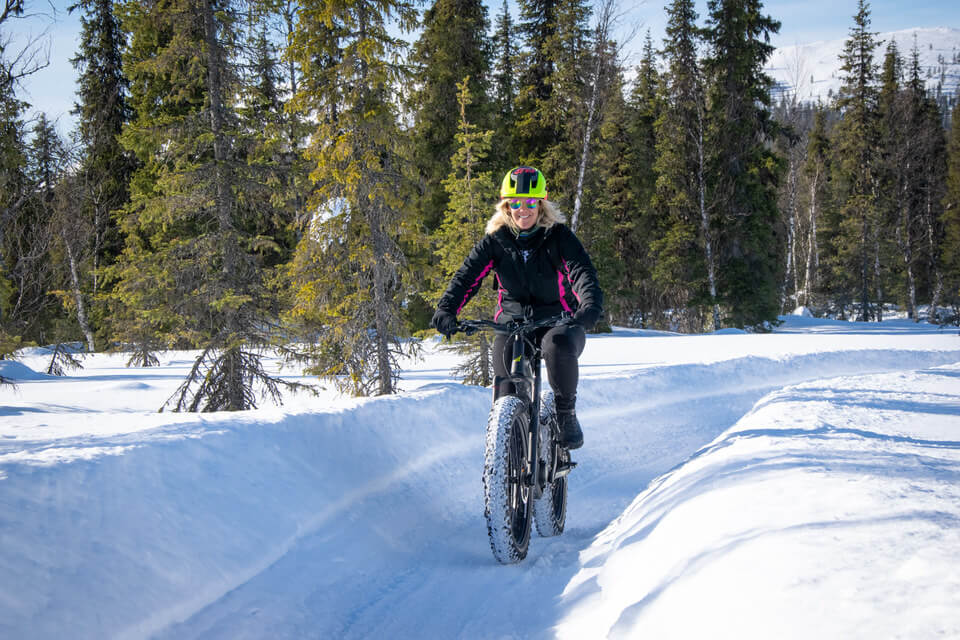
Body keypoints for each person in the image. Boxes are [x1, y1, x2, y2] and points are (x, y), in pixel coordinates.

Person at [431, 166, 603, 449]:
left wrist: (589, 307)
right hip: (511, 324)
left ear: (541, 205)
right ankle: (509, 452)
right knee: (506, 390)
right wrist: (447, 309)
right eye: (516, 203)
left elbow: (582, 272)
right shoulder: (496, 240)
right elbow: (467, 277)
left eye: (531, 202)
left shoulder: (558, 236)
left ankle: (565, 413)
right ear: (506, 206)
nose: (524, 210)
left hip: (558, 321)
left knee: (557, 346)